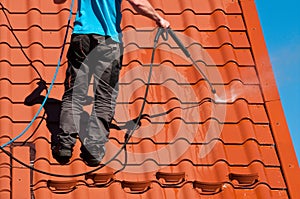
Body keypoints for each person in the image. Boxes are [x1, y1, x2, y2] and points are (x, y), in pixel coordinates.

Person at [53, 0, 170, 166]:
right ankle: (93, 148)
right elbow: (138, 3)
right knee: (104, 96)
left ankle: (65, 145)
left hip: (81, 37)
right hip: (108, 41)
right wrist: (158, 18)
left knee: (75, 93)